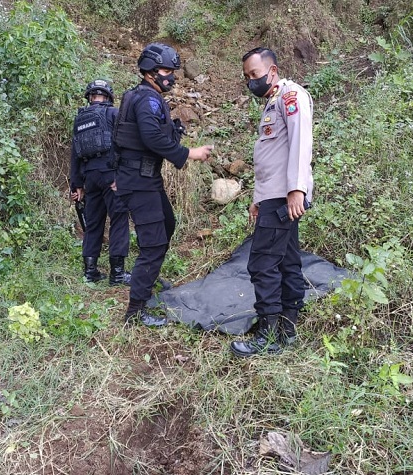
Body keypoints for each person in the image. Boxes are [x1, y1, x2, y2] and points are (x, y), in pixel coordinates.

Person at [113, 42, 214, 326]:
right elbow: (151, 138)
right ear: (149, 71)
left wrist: (173, 133)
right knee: (154, 243)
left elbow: (149, 135)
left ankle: (148, 280)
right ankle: (135, 311)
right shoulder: (147, 99)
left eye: (172, 71)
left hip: (145, 178)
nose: (171, 76)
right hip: (139, 181)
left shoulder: (142, 96)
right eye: (166, 70)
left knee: (167, 225)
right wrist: (189, 153)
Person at [230, 47, 314, 357]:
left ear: (272, 71)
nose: (251, 81)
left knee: (262, 263)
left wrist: (297, 189)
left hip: (285, 196)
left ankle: (268, 334)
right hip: (273, 196)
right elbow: (270, 158)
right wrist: (257, 199)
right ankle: (287, 325)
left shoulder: (292, 96)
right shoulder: (272, 103)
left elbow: (301, 142)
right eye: (247, 77)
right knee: (287, 258)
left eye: (255, 74)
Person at [69, 79, 131, 285]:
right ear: (109, 97)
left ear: (90, 97)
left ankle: (90, 272)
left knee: (93, 223)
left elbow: (75, 155)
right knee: (119, 219)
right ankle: (118, 274)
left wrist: (77, 185)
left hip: (89, 178)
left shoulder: (79, 119)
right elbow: (125, 144)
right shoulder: (114, 114)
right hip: (112, 175)